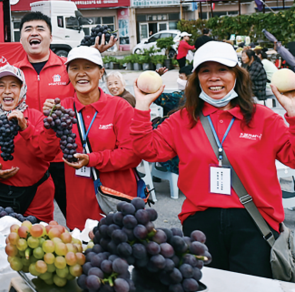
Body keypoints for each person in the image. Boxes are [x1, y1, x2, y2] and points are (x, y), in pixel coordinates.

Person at [125, 41, 295, 278]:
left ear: (236, 75)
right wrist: (142, 108)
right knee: (207, 285)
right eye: (205, 71)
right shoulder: (182, 120)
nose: (214, 77)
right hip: (201, 223)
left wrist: (293, 115)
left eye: (222, 70)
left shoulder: (264, 119)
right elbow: (147, 150)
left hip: (256, 223)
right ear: (196, 78)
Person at [13, 11, 115, 219]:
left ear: (51, 37)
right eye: (28, 29)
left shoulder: (68, 67)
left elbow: (89, 92)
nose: (34, 33)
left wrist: (93, 55)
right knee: (27, 223)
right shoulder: (11, 74)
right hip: (27, 157)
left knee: (78, 218)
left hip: (66, 157)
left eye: (40, 29)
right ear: (21, 38)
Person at [48, 46, 139, 231]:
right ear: (68, 74)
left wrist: (92, 159)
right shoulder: (62, 108)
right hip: (79, 205)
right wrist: (49, 123)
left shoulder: (119, 107)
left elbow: (132, 155)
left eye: (88, 67)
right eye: (74, 68)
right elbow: (45, 151)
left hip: (116, 200)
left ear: (101, 72)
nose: (81, 73)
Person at [0, 65, 58, 221]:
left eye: (13, 85)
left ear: (22, 89)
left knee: (38, 234)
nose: (7, 91)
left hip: (36, 195)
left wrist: (25, 127)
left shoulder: (36, 118)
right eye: (1, 86)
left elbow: (48, 153)